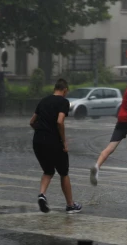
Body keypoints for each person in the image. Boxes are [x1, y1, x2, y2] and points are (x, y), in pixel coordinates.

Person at [30, 78, 82, 214]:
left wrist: (41, 132)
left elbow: (31, 122)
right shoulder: (64, 102)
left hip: (38, 141)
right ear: (65, 90)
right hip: (53, 141)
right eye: (66, 92)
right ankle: (70, 205)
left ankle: (42, 195)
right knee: (63, 173)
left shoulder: (43, 100)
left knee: (48, 171)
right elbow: (60, 122)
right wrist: (63, 141)